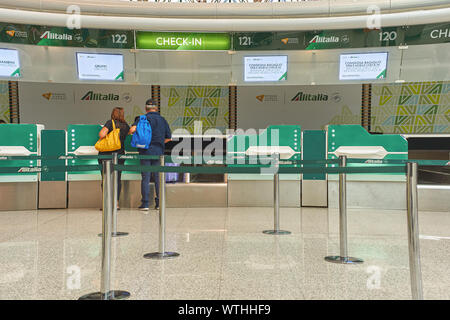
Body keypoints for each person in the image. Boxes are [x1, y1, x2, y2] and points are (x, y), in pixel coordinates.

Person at [129, 99, 172, 211]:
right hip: (158, 151)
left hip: (145, 151)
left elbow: (132, 130)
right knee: (158, 178)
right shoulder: (162, 120)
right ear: (156, 108)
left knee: (146, 178)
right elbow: (168, 138)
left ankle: (146, 204)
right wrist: (159, 142)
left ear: (146, 109)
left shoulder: (142, 118)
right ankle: (159, 204)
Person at [98, 107, 130, 210]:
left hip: (106, 155)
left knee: (106, 179)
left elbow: (102, 134)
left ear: (113, 114)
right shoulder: (126, 126)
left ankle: (107, 203)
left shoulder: (110, 123)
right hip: (119, 155)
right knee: (117, 179)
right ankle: (116, 203)